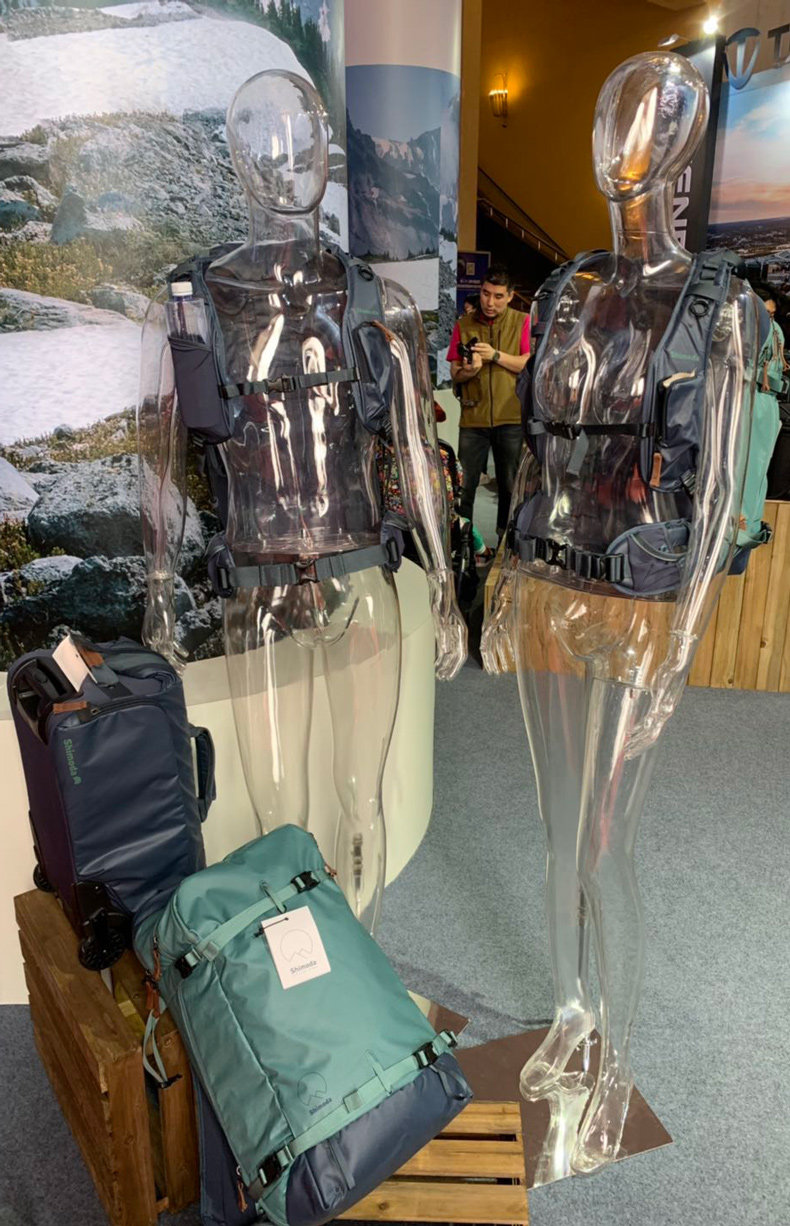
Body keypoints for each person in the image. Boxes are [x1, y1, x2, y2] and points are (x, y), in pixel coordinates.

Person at [447, 264, 530, 539]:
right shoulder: (464, 325)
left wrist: (495, 355)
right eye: (485, 293)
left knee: (510, 486)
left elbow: (527, 364)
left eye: (498, 296)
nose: (490, 302)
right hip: (473, 418)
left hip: (511, 417)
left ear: (510, 296)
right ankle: (465, 545)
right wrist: (469, 371)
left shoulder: (522, 321)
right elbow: (455, 373)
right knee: (464, 486)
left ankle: (505, 544)